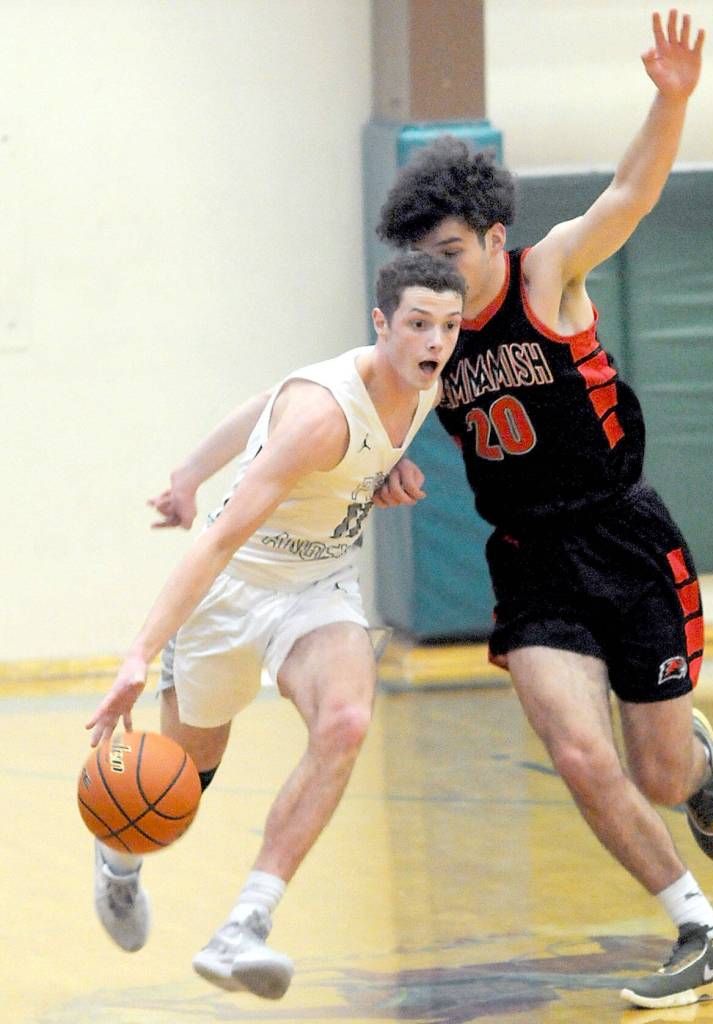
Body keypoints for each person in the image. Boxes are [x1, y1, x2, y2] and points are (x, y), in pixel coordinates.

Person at [373, 10, 713, 1011]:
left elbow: (629, 193)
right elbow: (374, 412)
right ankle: (701, 932)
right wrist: (384, 465)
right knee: (576, 751)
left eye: (451, 251)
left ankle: (698, 760)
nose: (436, 273)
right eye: (421, 260)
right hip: (528, 558)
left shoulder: (548, 273)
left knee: (660, 776)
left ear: (493, 238)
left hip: (621, 535)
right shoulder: (429, 332)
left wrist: (669, 100)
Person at [85, 251, 465, 999]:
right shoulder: (324, 415)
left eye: (449, 327)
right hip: (231, 589)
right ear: (382, 324)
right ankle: (118, 857)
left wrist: (380, 474)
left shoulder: (426, 385)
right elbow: (220, 537)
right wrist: (139, 652)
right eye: (419, 325)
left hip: (317, 587)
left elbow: (267, 400)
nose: (434, 342)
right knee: (177, 788)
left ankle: (245, 926)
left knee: (348, 719)